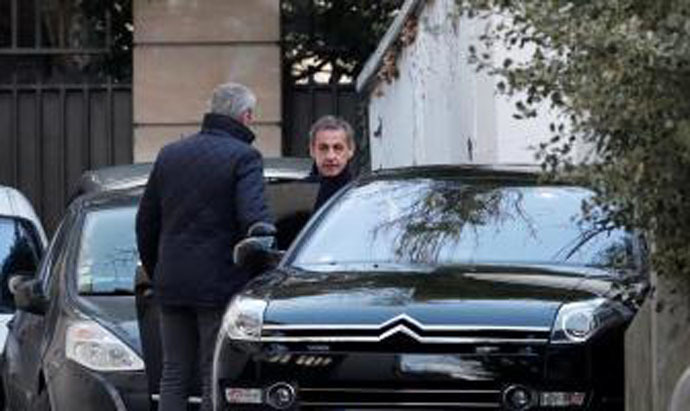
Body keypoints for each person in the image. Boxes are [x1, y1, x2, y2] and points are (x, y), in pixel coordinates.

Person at [135, 82, 272, 411]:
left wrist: (158, 270)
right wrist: (255, 272)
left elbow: (145, 223)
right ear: (246, 116)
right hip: (219, 285)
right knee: (213, 372)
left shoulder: (169, 154)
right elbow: (255, 223)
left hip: (172, 283)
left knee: (173, 373)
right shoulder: (245, 157)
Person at [308, 115, 356, 211]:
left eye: (338, 148)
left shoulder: (361, 195)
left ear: (350, 150)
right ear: (312, 150)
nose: (330, 156)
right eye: (323, 148)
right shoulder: (295, 194)